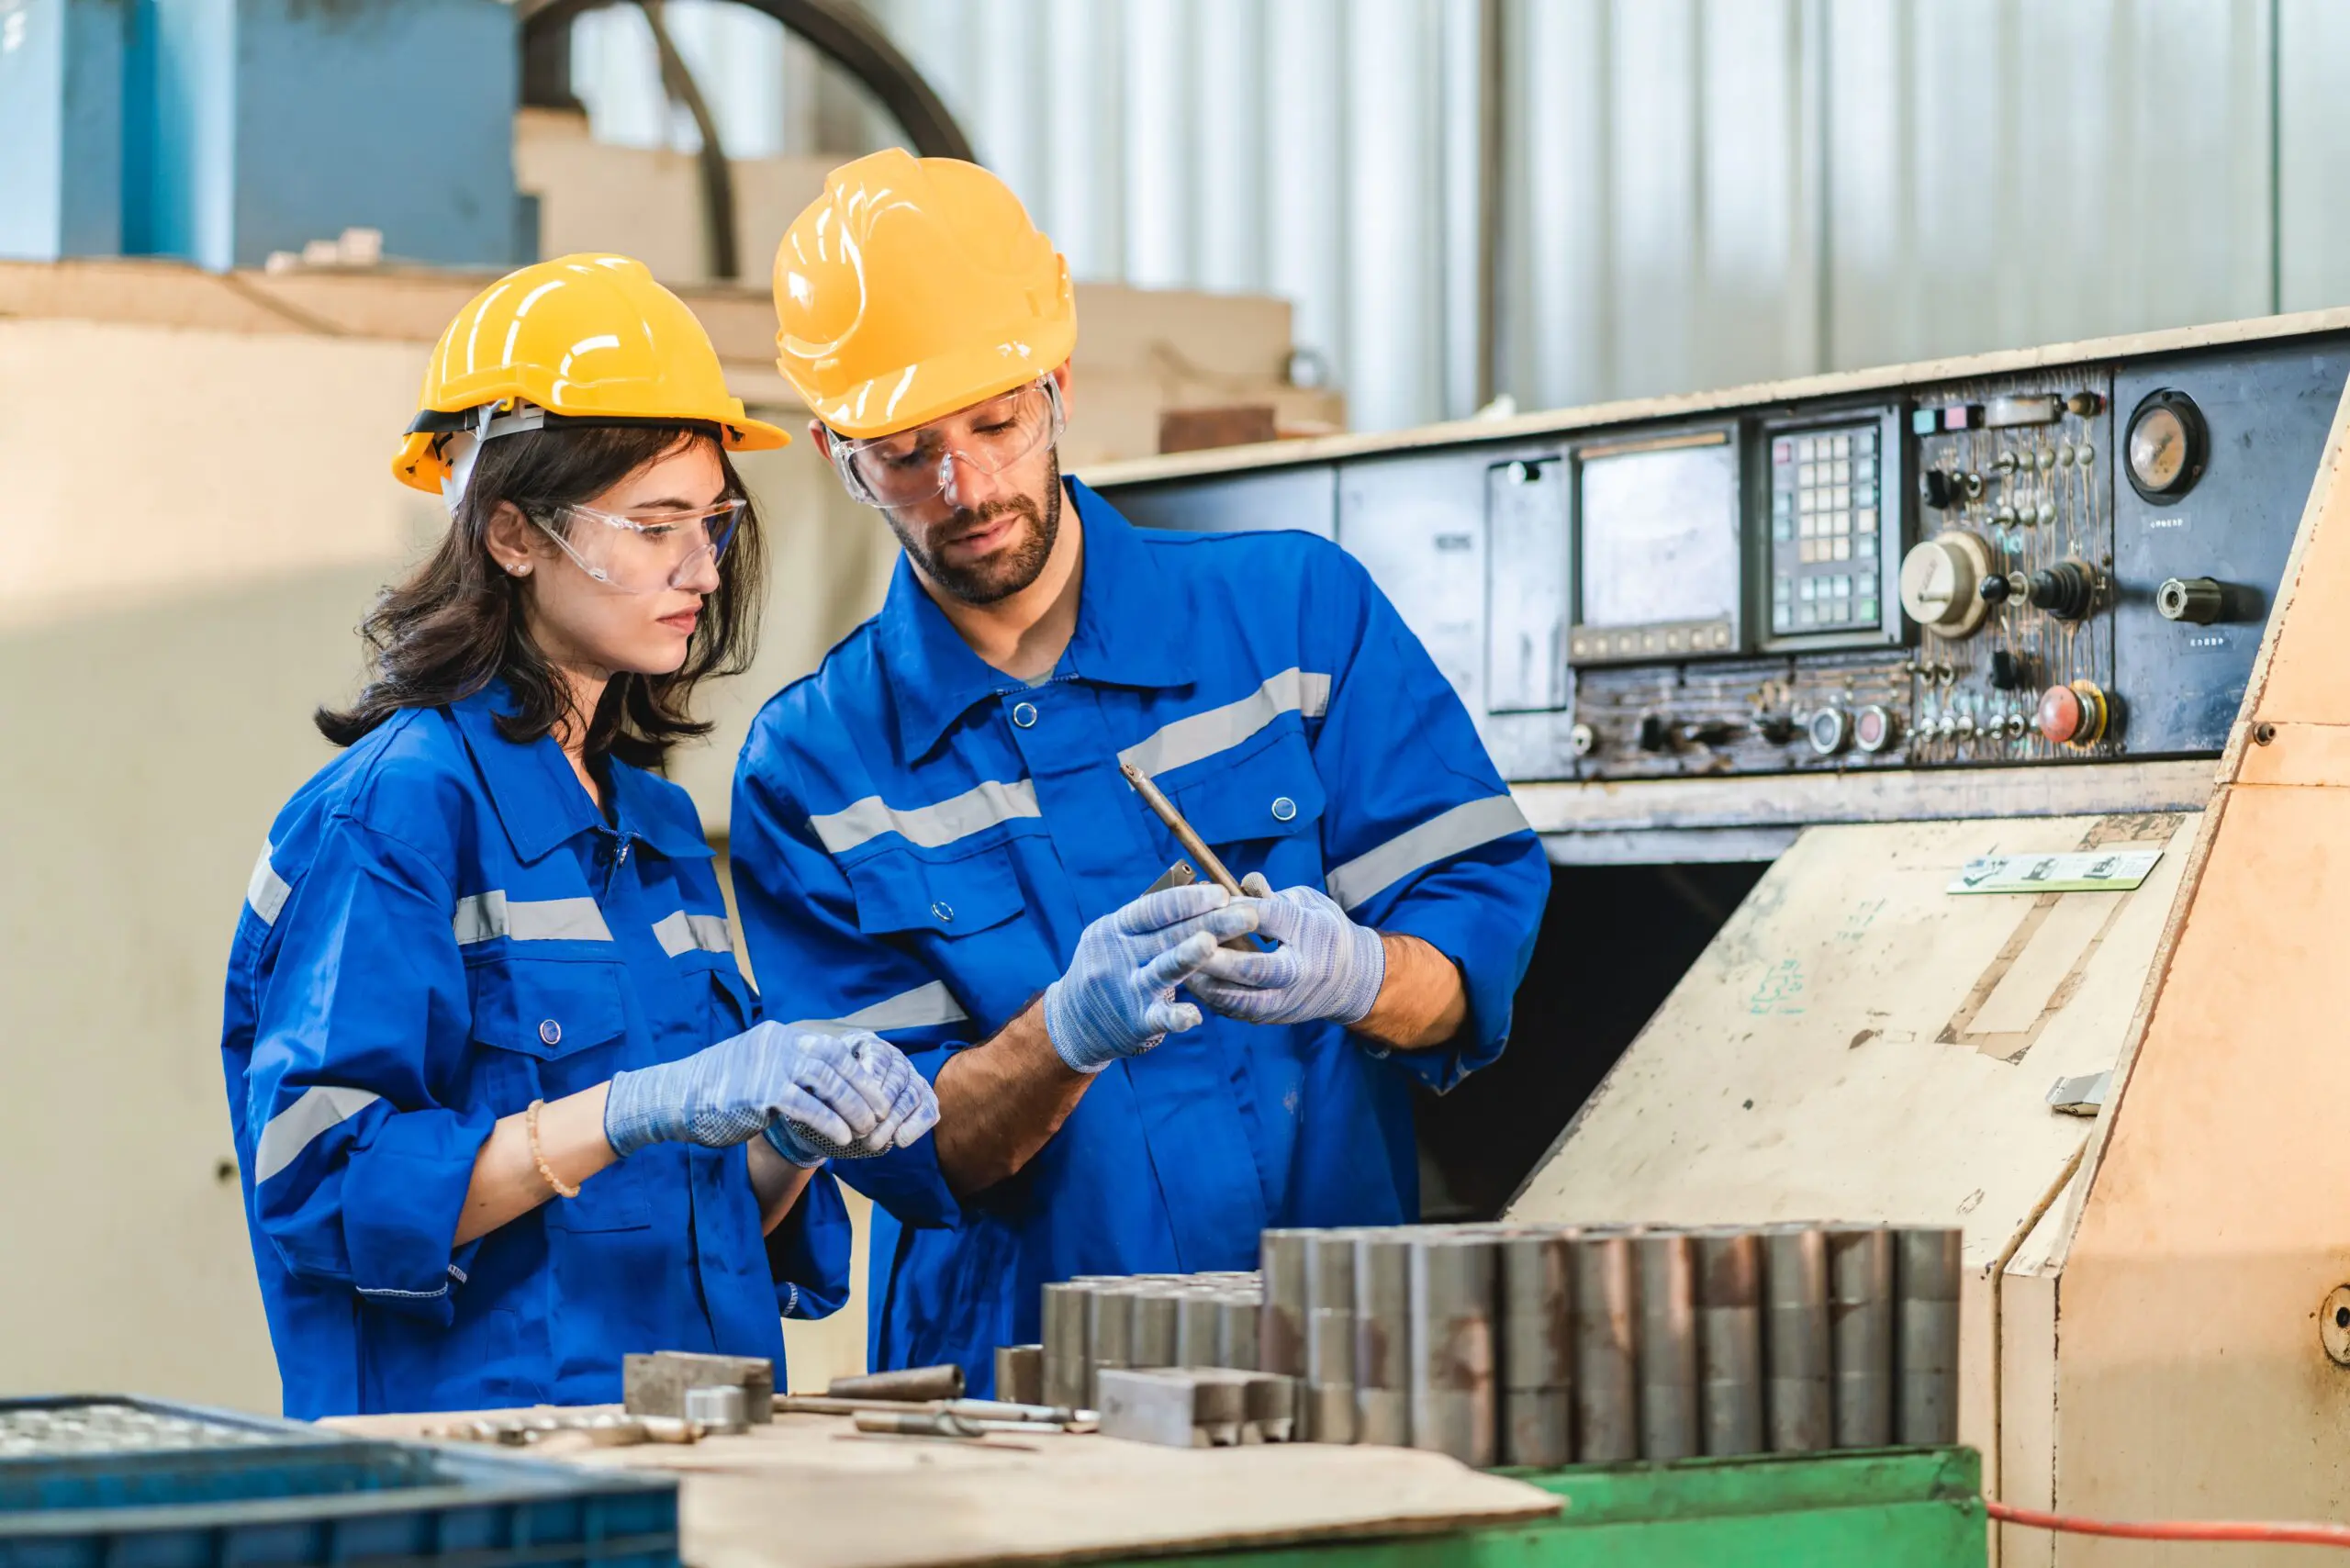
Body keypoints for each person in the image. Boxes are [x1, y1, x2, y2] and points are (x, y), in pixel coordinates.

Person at [732, 153, 1550, 1394]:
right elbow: (917, 1153)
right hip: (1012, 1395)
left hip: (1334, 1355)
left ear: (1058, 383)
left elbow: (1469, 971)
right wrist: (1065, 1033)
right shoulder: (818, 767)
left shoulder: (1291, 621)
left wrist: (1359, 971)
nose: (968, 488)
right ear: (837, 454)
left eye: (997, 422)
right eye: (905, 452)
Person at [219, 254, 937, 1417]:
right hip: (486, 1489)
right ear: (511, 532)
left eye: (712, 523)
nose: (700, 568)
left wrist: (794, 1135)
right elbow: (323, 1187)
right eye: (654, 526)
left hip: (704, 1456)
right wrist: (624, 1111)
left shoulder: (651, 828)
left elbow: (712, 1213)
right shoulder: (397, 815)